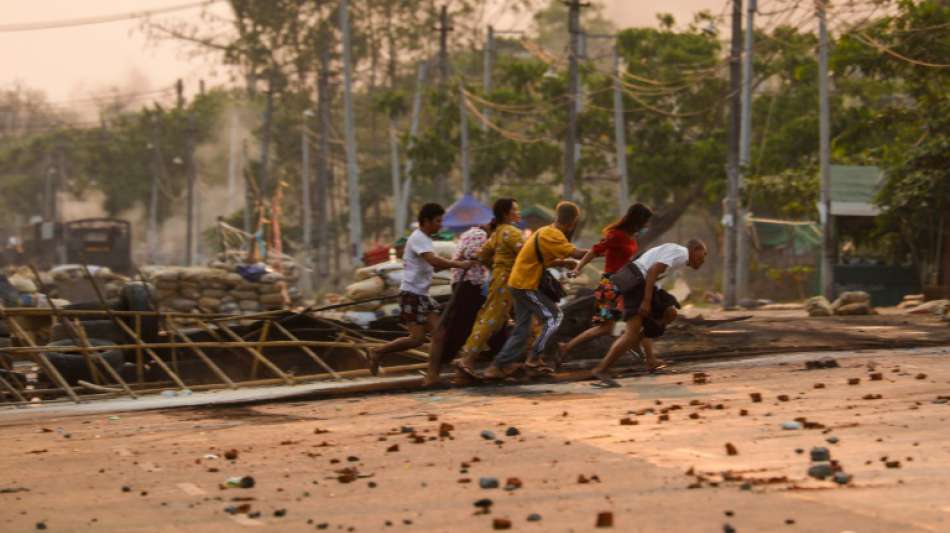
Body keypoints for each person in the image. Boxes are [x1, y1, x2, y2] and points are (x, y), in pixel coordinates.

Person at [481, 201, 589, 379]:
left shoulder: (546, 231)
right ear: (573, 221)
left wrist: (563, 262)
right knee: (555, 317)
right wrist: (602, 250)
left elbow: (541, 260)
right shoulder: (553, 234)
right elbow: (576, 253)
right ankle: (533, 359)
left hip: (519, 282)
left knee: (522, 329)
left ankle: (499, 365)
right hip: (525, 285)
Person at [368, 203, 475, 375]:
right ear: (426, 221)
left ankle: (432, 376)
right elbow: (434, 261)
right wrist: (460, 264)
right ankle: (378, 351)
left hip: (422, 295)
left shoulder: (425, 240)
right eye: (438, 221)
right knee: (416, 339)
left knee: (439, 334)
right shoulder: (418, 238)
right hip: (411, 294)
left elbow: (435, 266)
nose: (440, 225)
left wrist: (459, 261)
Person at [590, 239, 708, 386]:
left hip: (642, 282)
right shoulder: (681, 254)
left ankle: (639, 346)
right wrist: (646, 301)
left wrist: (656, 298)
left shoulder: (679, 256)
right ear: (694, 249)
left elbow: (653, 271)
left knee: (670, 312)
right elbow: (652, 271)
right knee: (631, 333)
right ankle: (601, 369)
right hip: (637, 282)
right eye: (702, 255)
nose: (703, 259)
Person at [557, 203, 653, 368]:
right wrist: (578, 268)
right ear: (638, 220)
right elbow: (594, 251)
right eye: (645, 221)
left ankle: (644, 357)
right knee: (609, 327)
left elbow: (622, 258)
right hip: (611, 285)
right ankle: (566, 347)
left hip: (625, 284)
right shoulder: (616, 235)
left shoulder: (631, 236)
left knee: (632, 322)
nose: (647, 225)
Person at [454, 199, 524, 379]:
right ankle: (467, 359)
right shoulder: (511, 232)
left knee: (496, 320)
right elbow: (526, 255)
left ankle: (507, 363)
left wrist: (495, 267)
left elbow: (481, 255)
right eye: (515, 209)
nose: (519, 212)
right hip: (508, 281)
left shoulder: (497, 233)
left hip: (500, 280)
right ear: (506, 214)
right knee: (491, 320)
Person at [423, 223, 490, 386]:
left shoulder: (472, 233)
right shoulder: (480, 235)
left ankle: (484, 358)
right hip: (469, 284)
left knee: (477, 323)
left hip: (471, 284)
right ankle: (443, 362)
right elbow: (473, 255)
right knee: (463, 326)